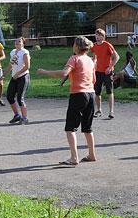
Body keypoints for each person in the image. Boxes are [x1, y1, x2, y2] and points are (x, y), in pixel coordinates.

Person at [37, 36, 97, 166]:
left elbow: (64, 73)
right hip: (91, 94)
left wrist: (45, 72)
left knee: (70, 128)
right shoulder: (90, 60)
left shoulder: (74, 58)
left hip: (78, 95)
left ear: (76, 46)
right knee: (87, 128)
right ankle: (92, 154)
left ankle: (74, 158)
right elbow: (94, 80)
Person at [91, 28, 119, 120]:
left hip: (107, 72)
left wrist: (110, 67)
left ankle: (111, 111)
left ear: (103, 36)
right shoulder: (94, 46)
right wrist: (92, 64)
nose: (97, 37)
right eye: (96, 35)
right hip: (97, 72)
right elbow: (94, 57)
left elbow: (117, 57)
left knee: (109, 91)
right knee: (97, 92)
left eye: (99, 35)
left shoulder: (107, 45)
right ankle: (98, 110)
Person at [5, 37, 30, 124]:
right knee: (9, 96)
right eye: (16, 41)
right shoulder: (13, 52)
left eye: (19, 41)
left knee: (20, 98)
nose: (17, 42)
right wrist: (4, 74)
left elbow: (27, 66)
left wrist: (17, 74)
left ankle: (25, 118)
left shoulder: (25, 52)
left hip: (23, 77)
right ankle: (17, 115)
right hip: (14, 77)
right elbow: (11, 64)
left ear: (23, 43)